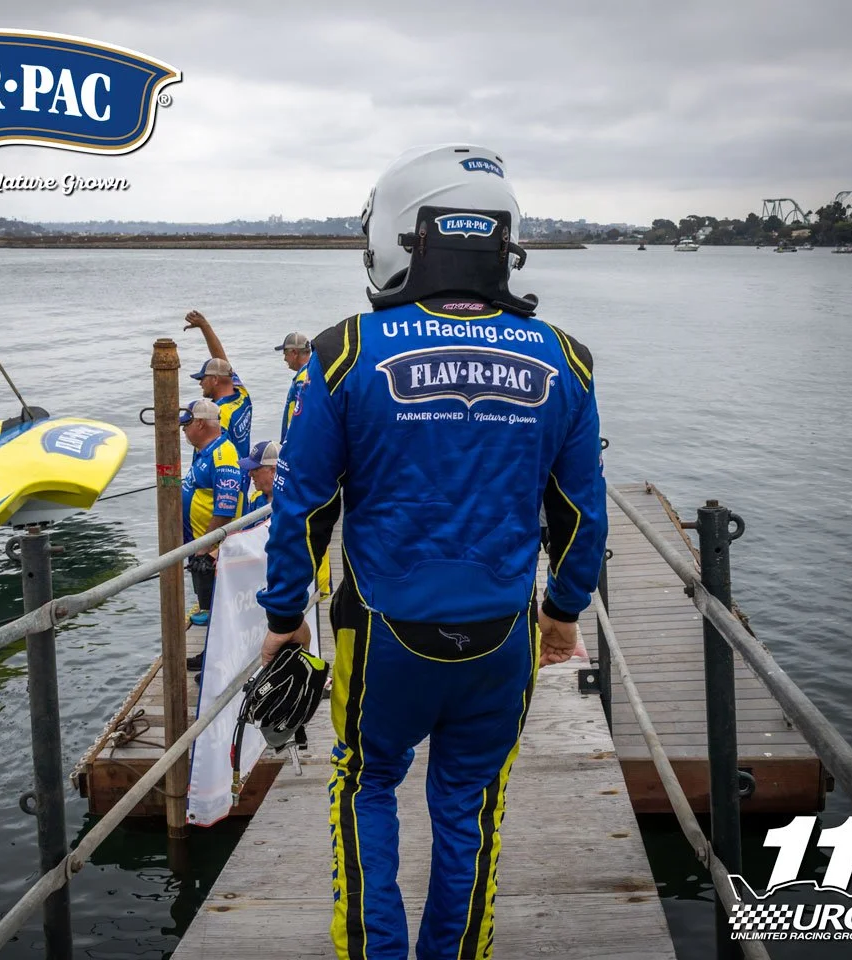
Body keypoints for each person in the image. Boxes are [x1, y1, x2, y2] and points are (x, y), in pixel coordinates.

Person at [255, 143, 608, 959]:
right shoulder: (566, 358)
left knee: (365, 785)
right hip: (502, 636)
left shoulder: (344, 352)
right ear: (502, 238)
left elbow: (302, 503)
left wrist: (284, 617)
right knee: (471, 806)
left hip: (385, 633)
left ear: (399, 238)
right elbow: (581, 516)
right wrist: (561, 614)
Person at [179, 398, 243, 638]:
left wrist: (205, 547)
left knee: (218, 608)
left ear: (201, 424)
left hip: (212, 551)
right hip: (200, 546)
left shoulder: (222, 454)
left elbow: (225, 507)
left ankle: (213, 658)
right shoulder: (203, 452)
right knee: (208, 605)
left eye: (186, 425)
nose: (183, 430)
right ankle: (209, 654)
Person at [241, 439, 331, 597]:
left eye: (254, 469)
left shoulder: (301, 500)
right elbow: (245, 537)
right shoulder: (256, 499)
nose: (249, 474)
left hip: (309, 581)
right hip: (273, 578)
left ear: (273, 470)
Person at [184, 310, 253, 462]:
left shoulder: (217, 414)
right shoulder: (242, 395)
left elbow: (209, 450)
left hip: (221, 478)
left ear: (215, 379)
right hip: (241, 471)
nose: (200, 383)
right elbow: (222, 362)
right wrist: (204, 327)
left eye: (203, 378)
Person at [275, 331, 313, 442]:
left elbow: (301, 416)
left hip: (295, 443)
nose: (284, 359)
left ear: (294, 353)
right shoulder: (312, 370)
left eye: (285, 353)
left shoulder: (302, 380)